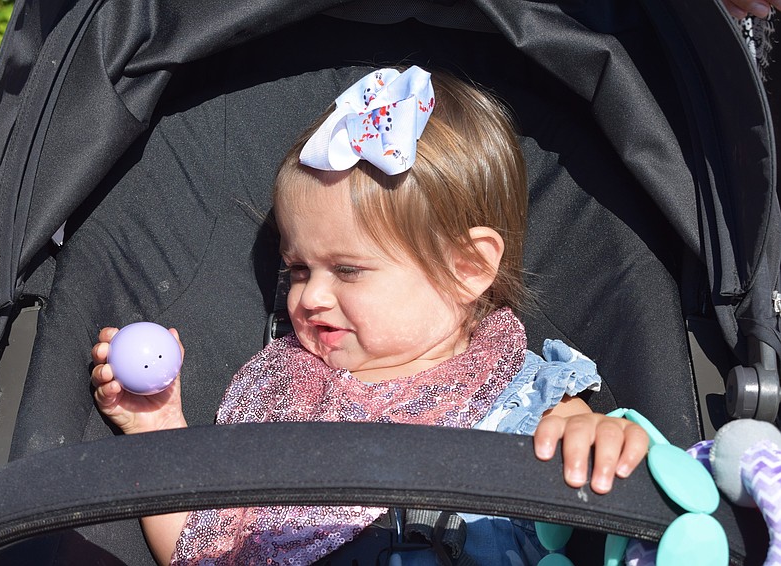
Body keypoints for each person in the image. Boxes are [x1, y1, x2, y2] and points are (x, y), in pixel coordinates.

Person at [90, 66, 649, 565]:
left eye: (348, 270)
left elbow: (594, 454)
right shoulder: (283, 400)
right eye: (298, 269)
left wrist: (594, 436)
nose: (311, 297)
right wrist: (157, 428)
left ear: (468, 267)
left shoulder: (527, 400)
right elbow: (203, 550)